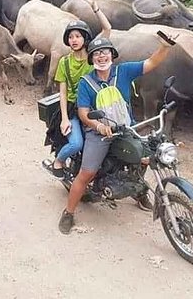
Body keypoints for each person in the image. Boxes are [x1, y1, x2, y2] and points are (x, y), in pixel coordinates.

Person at [58, 32, 177, 234]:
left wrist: (165, 46)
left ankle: (138, 191)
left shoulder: (124, 71)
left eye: (105, 52)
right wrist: (98, 126)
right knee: (87, 173)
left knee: (145, 156)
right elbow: (83, 113)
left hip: (126, 128)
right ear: (92, 59)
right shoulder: (86, 83)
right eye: (96, 54)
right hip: (100, 133)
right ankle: (68, 212)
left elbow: (151, 63)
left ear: (112, 55)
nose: (101, 57)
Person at [43, 0, 111, 178]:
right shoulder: (64, 62)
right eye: (71, 37)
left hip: (98, 108)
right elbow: (63, 94)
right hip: (74, 110)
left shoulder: (94, 57)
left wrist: (95, 8)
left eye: (78, 36)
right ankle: (58, 161)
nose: (74, 40)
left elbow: (107, 29)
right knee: (76, 144)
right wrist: (65, 119)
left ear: (85, 38)